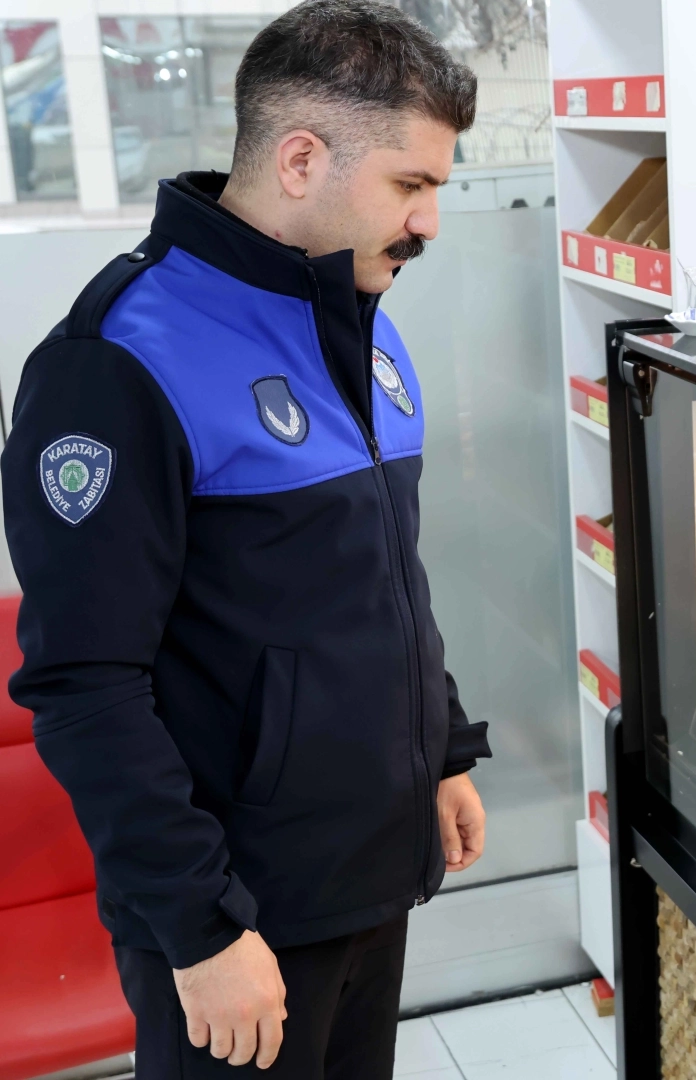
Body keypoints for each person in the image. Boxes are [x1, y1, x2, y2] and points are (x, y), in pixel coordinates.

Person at [0, 2, 492, 1073]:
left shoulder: (352, 316)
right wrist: (201, 927)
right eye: (411, 185)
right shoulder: (118, 361)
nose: (429, 222)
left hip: (368, 873)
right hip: (239, 912)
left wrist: (442, 749)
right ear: (301, 159)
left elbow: (378, 577)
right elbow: (84, 685)